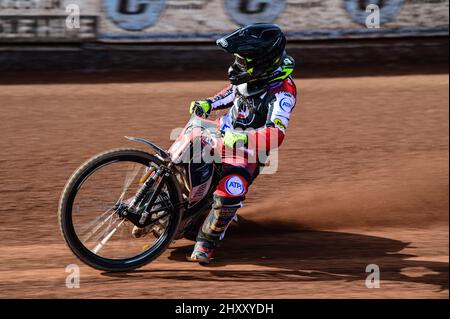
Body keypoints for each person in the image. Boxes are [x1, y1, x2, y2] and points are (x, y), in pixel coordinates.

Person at [188, 23, 298, 264]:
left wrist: (242, 137)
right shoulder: (250, 76)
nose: (237, 64)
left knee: (231, 190)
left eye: (242, 60)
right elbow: (233, 91)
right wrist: (210, 103)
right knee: (181, 152)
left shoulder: (283, 92)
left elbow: (276, 133)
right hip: (220, 132)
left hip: (246, 152)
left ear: (260, 61)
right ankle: (144, 201)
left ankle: (207, 242)